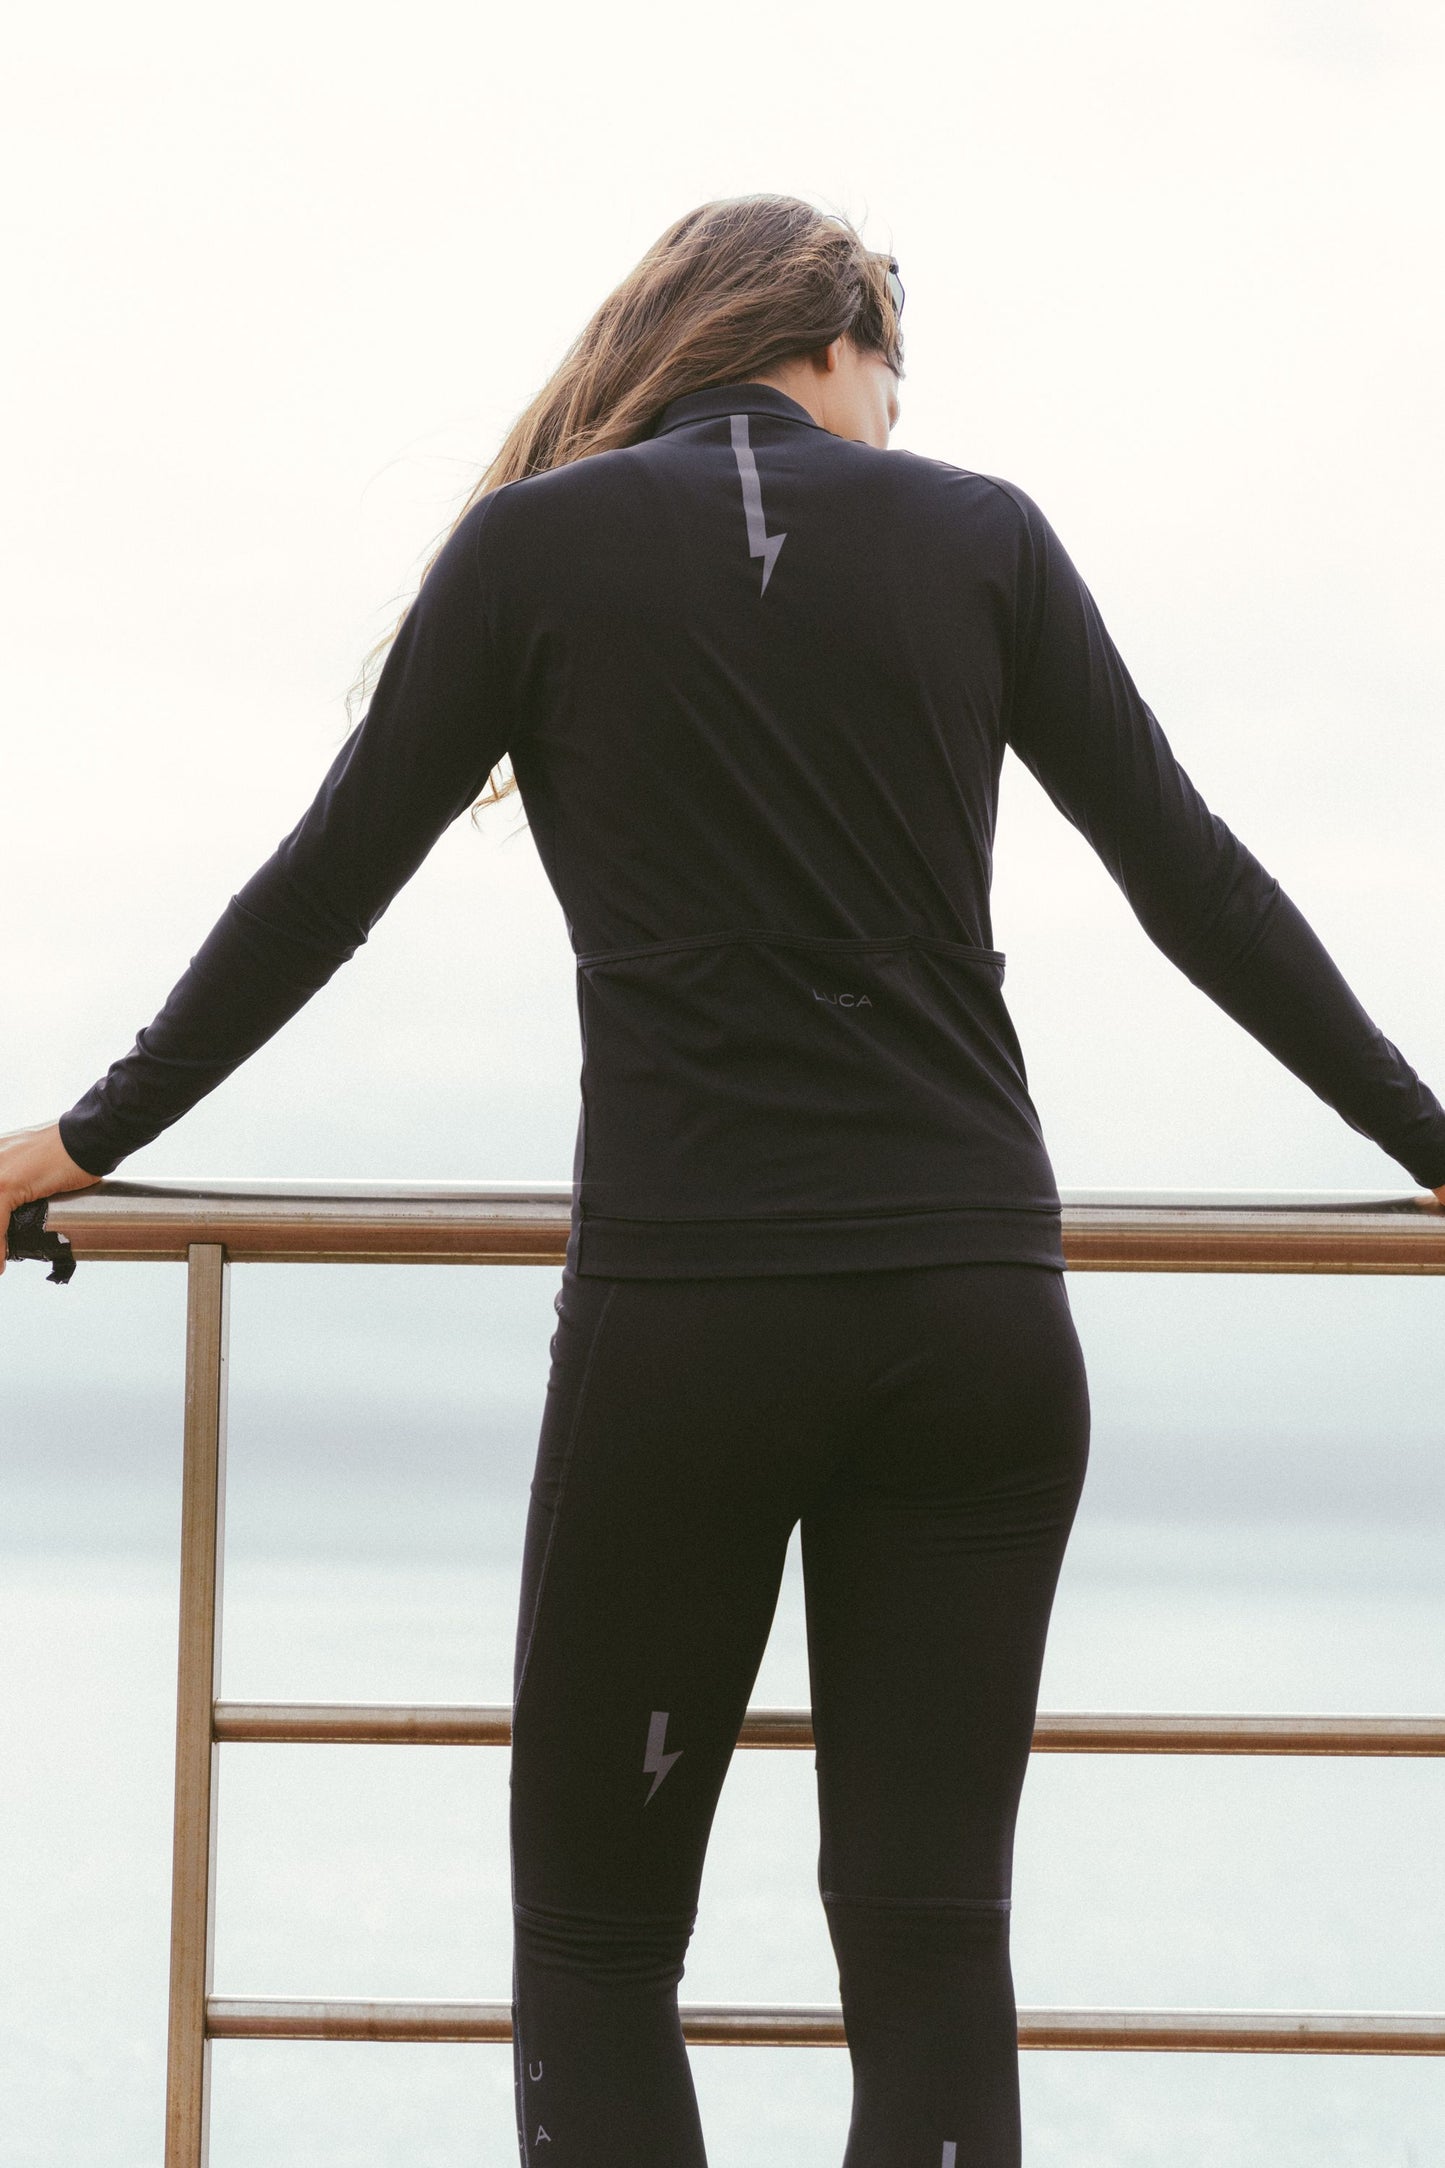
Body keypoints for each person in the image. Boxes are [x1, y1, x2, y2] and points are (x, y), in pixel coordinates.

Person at [3, 192, 1444, 2167]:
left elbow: (321, 895)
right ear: (839, 337)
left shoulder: (533, 551)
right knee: (934, 1947)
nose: (890, 420)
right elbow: (1196, 883)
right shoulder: (985, 536)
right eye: (894, 377)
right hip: (975, 1324)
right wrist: (1435, 1150)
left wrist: (80, 1147)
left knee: (598, 1942)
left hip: (694, 1329)